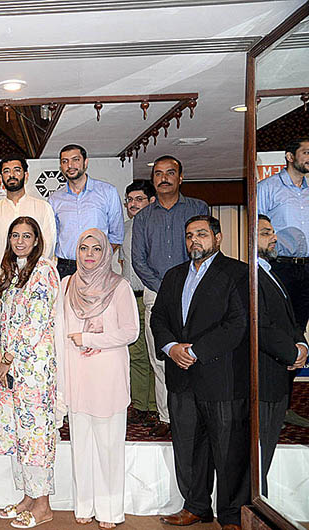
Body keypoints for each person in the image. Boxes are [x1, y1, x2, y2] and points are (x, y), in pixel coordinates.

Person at [151, 215, 249, 530]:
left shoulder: (238, 273)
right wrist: (170, 347)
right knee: (188, 448)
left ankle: (232, 515)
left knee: (229, 450)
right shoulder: (173, 275)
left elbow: (238, 323)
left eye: (202, 234)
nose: (195, 240)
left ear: (218, 238)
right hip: (181, 378)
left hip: (221, 377)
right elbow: (158, 317)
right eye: (190, 235)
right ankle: (195, 506)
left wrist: (194, 350)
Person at [56, 229, 138, 529]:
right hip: (77, 375)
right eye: (83, 249)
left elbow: (130, 332)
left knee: (109, 447)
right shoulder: (66, 285)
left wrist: (90, 337)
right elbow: (59, 335)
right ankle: (84, 505)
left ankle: (110, 510)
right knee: (82, 446)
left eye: (96, 249)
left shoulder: (120, 286)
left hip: (108, 376)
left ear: (107, 253)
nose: (89, 255)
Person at [131, 156, 209, 437]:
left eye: (170, 173)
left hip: (195, 293)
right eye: (159, 173)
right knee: (160, 358)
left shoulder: (198, 208)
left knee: (196, 354)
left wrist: (184, 285)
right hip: (157, 295)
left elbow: (205, 250)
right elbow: (138, 261)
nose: (164, 178)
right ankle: (167, 419)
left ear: (180, 177)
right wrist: (166, 289)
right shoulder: (142, 217)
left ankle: (200, 414)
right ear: (154, 180)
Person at [0, 216, 60, 529]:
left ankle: (43, 504)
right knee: (17, 432)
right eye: (15, 235)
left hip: (33, 368)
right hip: (6, 369)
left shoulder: (44, 270)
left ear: (36, 240)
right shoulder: (8, 271)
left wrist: (7, 356)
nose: (20, 241)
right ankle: (28, 497)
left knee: (36, 434)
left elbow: (37, 322)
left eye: (26, 236)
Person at [0, 155, 56, 375]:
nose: (11, 175)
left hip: (35, 287)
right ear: (0, 176)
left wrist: (28, 276)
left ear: (26, 174)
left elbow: (47, 245)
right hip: (1, 285)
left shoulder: (42, 207)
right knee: (0, 345)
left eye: (16, 170)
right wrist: (8, 276)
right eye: (6, 171)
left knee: (31, 337)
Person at [257, 138, 309, 427]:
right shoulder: (268, 189)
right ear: (289, 156)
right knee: (279, 335)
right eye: (306, 152)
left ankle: (286, 402)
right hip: (281, 269)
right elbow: (256, 229)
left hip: (307, 268)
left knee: (298, 334)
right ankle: (275, 401)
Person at [256, 215, 308, 497]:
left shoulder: (272, 274)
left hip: (278, 382)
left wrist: (302, 346)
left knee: (268, 449)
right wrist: (291, 351)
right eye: (266, 233)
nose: (274, 238)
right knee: (258, 453)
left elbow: (289, 322)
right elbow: (261, 325)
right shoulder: (250, 277)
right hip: (262, 381)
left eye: (273, 232)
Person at [48, 145, 124, 279]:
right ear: (61, 166)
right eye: (65, 161)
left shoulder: (107, 192)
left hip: (98, 266)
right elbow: (52, 237)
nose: (70, 165)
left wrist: (101, 257)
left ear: (86, 162)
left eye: (75, 159)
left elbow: (116, 235)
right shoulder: (54, 199)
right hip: (65, 268)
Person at [119, 180, 157, 425]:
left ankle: (156, 406)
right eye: (130, 200)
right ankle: (140, 404)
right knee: (135, 353)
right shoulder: (122, 228)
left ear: (151, 201)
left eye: (138, 199)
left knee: (155, 354)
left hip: (153, 297)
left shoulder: (158, 227)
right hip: (129, 299)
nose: (133, 204)